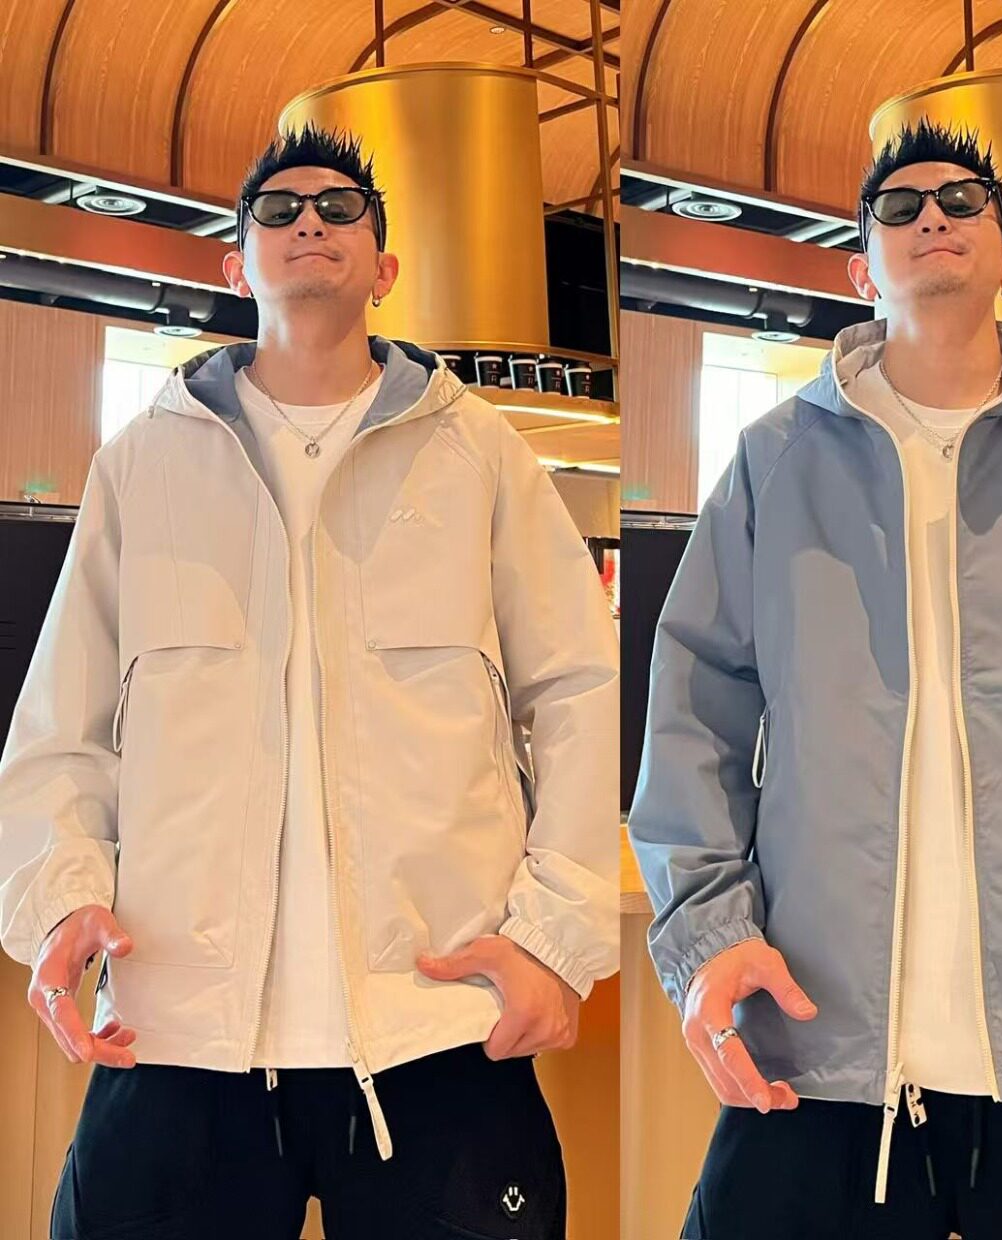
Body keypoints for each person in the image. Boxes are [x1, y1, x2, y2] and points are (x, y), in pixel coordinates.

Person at [0, 121, 619, 1239]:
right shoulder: (142, 460)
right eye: (278, 211)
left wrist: (555, 940)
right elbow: (62, 726)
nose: (309, 223)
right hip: (177, 1024)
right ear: (236, 265)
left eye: (341, 209)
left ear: (384, 267)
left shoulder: (478, 452)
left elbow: (579, 691)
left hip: (435, 1021)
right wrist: (57, 900)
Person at [627, 118, 1002, 1239]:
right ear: (860, 270)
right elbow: (691, 716)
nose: (932, 218)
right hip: (820, 1046)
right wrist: (708, 936)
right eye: (899, 207)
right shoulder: (773, 461)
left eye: (963, 201)